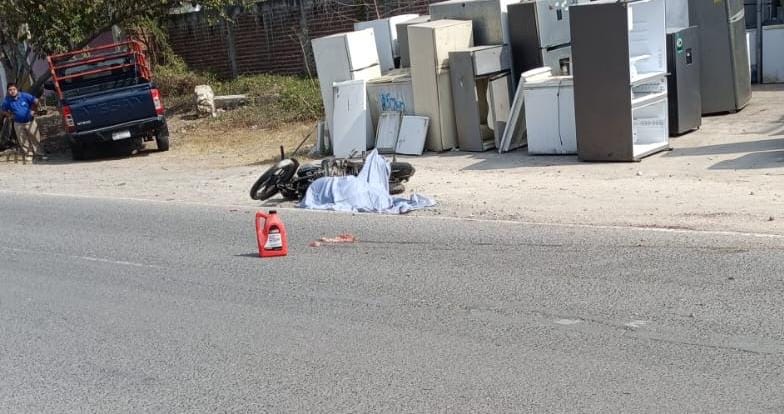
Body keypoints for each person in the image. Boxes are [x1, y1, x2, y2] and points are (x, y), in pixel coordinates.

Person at [2, 83, 45, 161]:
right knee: (22, 140)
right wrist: (10, 116)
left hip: (30, 121)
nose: (12, 91)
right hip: (18, 123)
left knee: (35, 138)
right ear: (8, 91)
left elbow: (36, 101)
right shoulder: (7, 100)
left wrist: (33, 110)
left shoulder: (24, 95)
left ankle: (40, 154)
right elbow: (3, 110)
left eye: (14, 89)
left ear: (17, 89)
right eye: (10, 90)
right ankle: (29, 155)